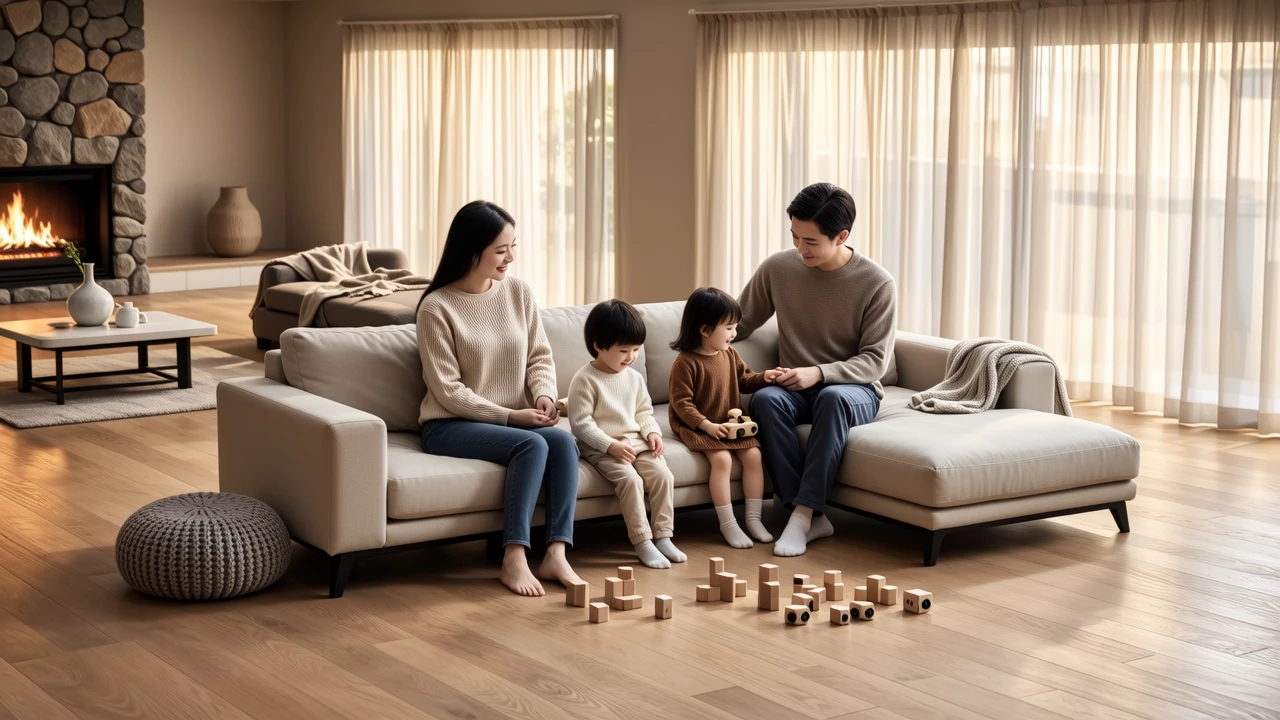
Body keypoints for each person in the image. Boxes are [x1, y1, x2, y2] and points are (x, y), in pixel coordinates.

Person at [416, 200, 583, 596]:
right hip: (449, 424)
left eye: (513, 246)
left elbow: (539, 356)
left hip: (514, 415)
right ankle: (514, 558)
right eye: (500, 249)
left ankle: (557, 552)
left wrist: (543, 395)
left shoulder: (518, 293)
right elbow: (448, 391)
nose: (510, 258)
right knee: (530, 445)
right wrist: (511, 417)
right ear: (471, 250)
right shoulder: (436, 308)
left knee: (562, 441)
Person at [737, 183, 897, 557]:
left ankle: (803, 515)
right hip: (795, 388)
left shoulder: (877, 283)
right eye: (794, 236)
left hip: (853, 390)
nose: (799, 248)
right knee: (765, 399)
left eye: (810, 241)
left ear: (841, 236)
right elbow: (739, 321)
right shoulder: (779, 268)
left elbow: (875, 361)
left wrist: (819, 372)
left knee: (832, 398)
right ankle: (806, 516)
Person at [566, 300, 685, 569]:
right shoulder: (584, 379)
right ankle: (642, 540)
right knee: (631, 481)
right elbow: (581, 424)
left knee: (663, 475)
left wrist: (652, 432)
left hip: (636, 442)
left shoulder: (634, 378)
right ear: (599, 345)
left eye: (635, 350)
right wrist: (610, 446)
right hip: (601, 447)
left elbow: (644, 412)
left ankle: (663, 536)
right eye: (623, 350)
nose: (630, 357)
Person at [668, 287, 785, 548]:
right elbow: (681, 404)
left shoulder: (730, 354)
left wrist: (764, 377)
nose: (734, 334)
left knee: (754, 455)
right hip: (699, 424)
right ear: (705, 329)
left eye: (735, 327)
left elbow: (744, 379)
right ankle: (728, 523)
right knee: (722, 461)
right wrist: (707, 425)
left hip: (731, 424)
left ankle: (753, 519)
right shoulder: (685, 363)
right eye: (729, 328)